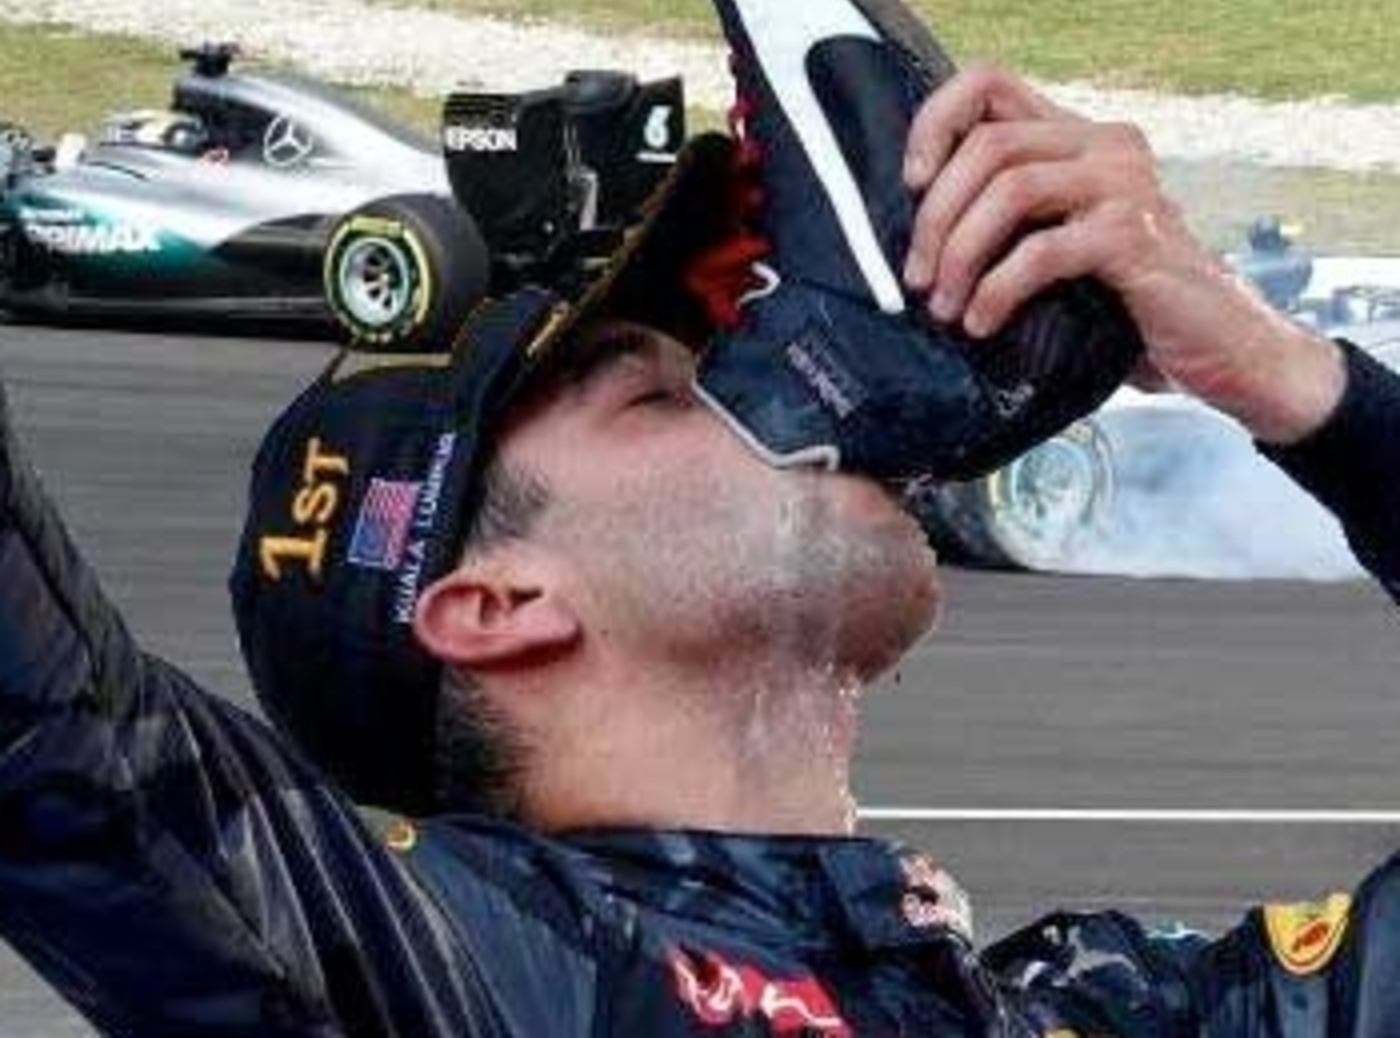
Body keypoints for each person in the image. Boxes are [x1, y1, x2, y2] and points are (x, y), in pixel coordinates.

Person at [1, 63, 1398, 1036]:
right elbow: (71, 754)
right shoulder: (504, 980)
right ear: (498, 604)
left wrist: (1299, 387)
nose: (792, 408)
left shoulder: (1093, 1002)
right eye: (662, 394)